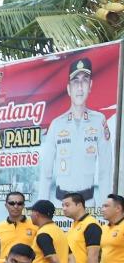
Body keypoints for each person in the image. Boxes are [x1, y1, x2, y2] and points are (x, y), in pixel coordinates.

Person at [36, 55, 114, 205]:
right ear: (68, 88)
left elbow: (105, 170)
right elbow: (46, 173)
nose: (79, 87)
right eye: (75, 81)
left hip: (88, 203)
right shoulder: (56, 125)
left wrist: (107, 206)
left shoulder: (99, 121)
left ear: (90, 85)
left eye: (84, 80)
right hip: (60, 204)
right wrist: (42, 207)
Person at [0, 191, 37, 256]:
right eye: (11, 203)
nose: (16, 206)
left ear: (23, 206)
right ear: (6, 205)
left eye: (19, 203)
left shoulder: (35, 226)